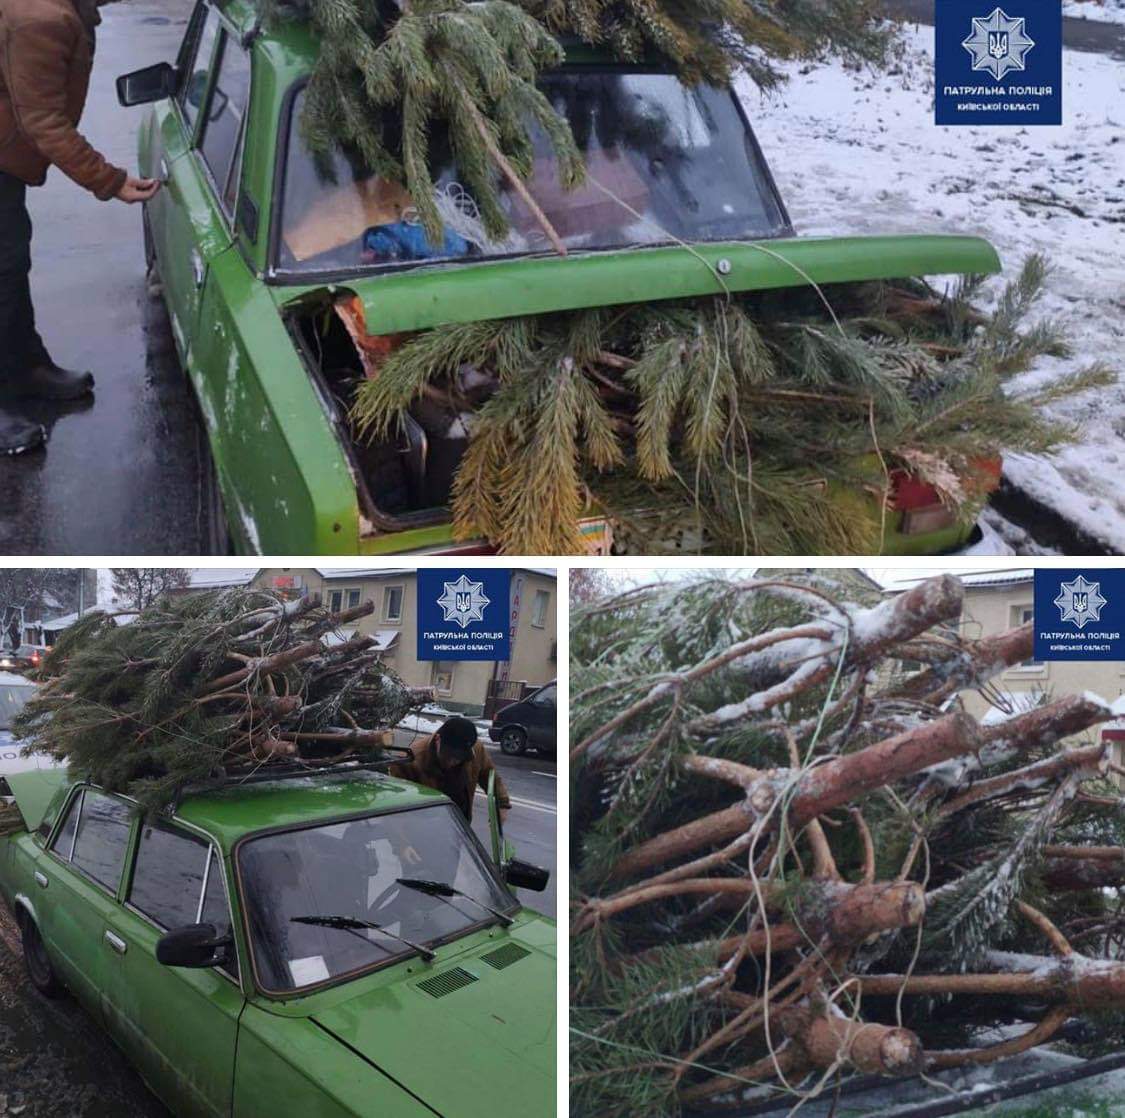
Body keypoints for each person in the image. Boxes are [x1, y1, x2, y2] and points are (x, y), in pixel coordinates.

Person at [0, 0, 160, 455]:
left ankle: (26, 367)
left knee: (10, 262)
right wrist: (109, 181)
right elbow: (42, 121)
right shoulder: (42, 19)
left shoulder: (61, 9)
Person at [390, 715, 511, 826]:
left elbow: (489, 775)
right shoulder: (409, 761)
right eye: (448, 755)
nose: (452, 762)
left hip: (459, 826)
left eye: (459, 758)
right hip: (423, 829)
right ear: (438, 739)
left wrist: (502, 804)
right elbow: (397, 812)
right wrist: (405, 844)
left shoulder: (475, 749)